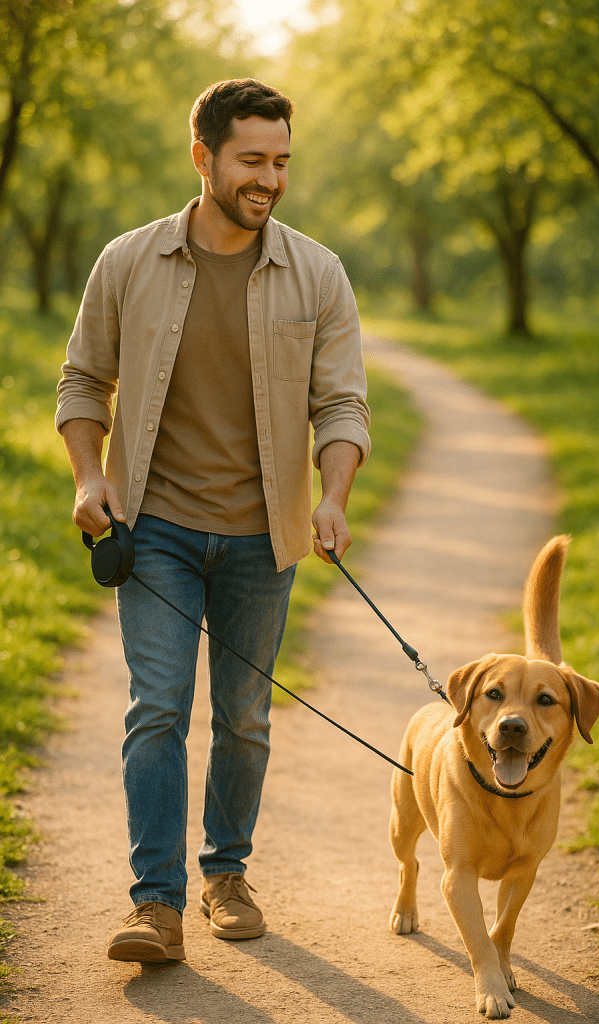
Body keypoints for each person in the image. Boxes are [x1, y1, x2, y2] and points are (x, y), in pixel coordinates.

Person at [56, 78, 370, 963]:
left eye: (279, 161)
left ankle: (225, 873)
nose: (269, 177)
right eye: (251, 160)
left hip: (260, 536)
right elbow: (83, 381)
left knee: (244, 718)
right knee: (157, 707)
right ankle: (154, 905)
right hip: (149, 525)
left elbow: (342, 403)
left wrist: (333, 496)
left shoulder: (317, 272)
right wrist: (88, 477)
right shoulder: (128, 262)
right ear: (203, 158)